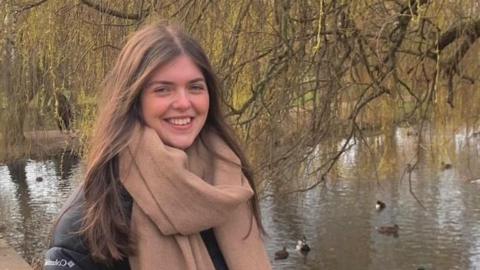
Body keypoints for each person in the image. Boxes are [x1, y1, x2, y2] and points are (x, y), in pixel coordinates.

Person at [42, 22, 272, 270]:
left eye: (195, 87)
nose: (184, 103)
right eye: (163, 90)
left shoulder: (231, 183)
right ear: (133, 100)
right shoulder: (90, 218)